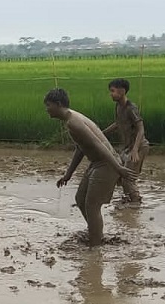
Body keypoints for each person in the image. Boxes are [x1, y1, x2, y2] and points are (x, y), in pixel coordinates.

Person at [46, 88, 136, 247]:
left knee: (92, 205)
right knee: (81, 199)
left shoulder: (74, 122)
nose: (47, 109)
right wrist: (68, 174)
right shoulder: (71, 118)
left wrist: (118, 168)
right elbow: (81, 148)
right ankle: (96, 233)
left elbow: (98, 144)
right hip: (98, 163)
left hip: (106, 164)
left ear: (58, 104)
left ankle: (95, 248)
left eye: (48, 105)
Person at [102, 79, 149, 204]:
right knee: (119, 173)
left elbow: (141, 129)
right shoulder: (118, 106)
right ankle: (129, 197)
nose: (111, 94)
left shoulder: (131, 108)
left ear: (122, 91)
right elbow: (118, 124)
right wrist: (101, 133)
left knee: (128, 177)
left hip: (138, 147)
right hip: (128, 147)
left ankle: (135, 202)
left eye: (113, 91)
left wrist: (135, 150)